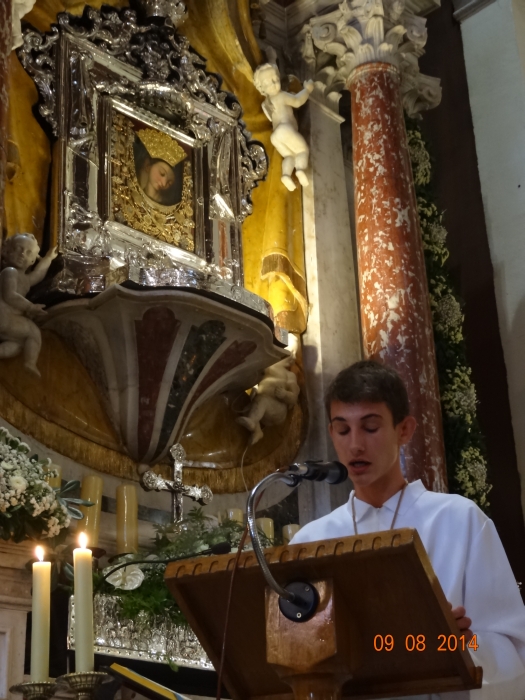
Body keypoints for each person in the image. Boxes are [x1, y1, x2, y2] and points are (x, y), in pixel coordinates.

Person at [290, 360, 525, 700]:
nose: (355, 445)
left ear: (404, 430)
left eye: (370, 427)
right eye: (342, 430)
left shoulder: (459, 520)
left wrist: (457, 643)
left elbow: (511, 648)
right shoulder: (311, 541)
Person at [0, 234, 57, 376]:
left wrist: (48, 258)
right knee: (33, 333)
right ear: (7, 251)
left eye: (28, 252)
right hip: (4, 315)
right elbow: (9, 295)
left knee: (20, 344)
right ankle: (30, 362)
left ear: (32, 260)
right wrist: (30, 307)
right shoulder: (10, 272)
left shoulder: (24, 279)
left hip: (8, 318)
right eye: (18, 249)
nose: (22, 254)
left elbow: (38, 274)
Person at [253, 63, 314, 192]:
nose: (273, 84)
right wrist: (307, 90)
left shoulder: (265, 104)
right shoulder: (282, 96)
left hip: (275, 137)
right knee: (303, 151)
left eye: (275, 79)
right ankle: (300, 170)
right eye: (268, 83)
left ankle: (286, 175)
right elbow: (297, 101)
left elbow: (271, 118)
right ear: (262, 88)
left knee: (289, 156)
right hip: (285, 130)